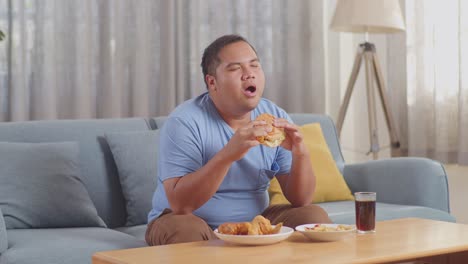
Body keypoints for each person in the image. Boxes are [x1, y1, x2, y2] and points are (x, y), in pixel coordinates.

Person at [145, 34, 331, 246]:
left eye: (254, 66)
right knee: (185, 229)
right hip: (189, 221)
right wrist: (227, 155)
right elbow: (180, 205)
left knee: (312, 216)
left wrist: (301, 152)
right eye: (235, 69)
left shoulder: (274, 116)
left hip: (254, 222)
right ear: (212, 82)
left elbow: (301, 199)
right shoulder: (185, 121)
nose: (249, 74)